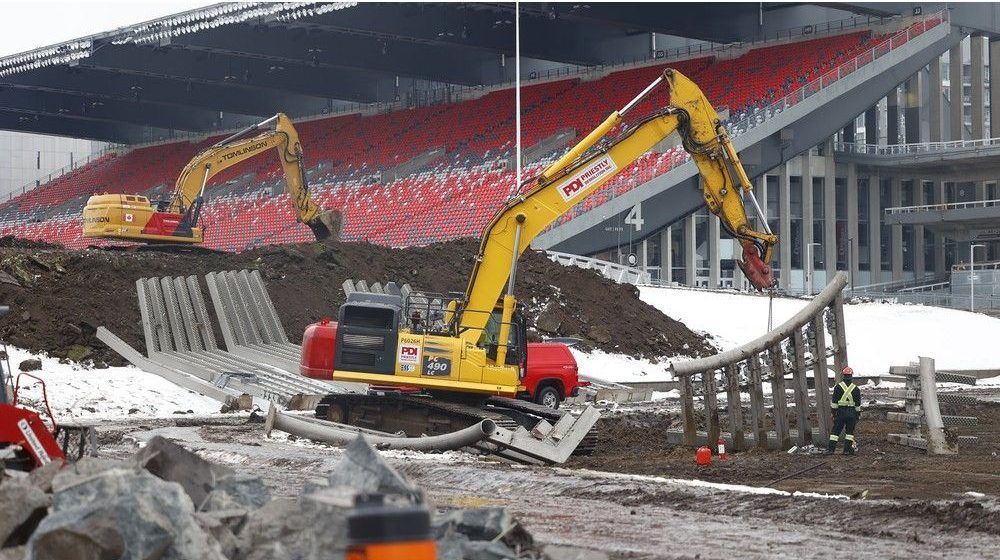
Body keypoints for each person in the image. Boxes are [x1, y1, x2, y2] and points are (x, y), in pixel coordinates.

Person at [827, 366, 861, 455]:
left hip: (841, 412)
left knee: (835, 432)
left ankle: (831, 450)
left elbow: (834, 403)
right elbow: (858, 404)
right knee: (849, 432)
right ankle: (846, 450)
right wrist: (857, 415)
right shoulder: (856, 389)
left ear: (843, 376)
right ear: (851, 376)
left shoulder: (838, 387)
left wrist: (833, 414)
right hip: (852, 412)